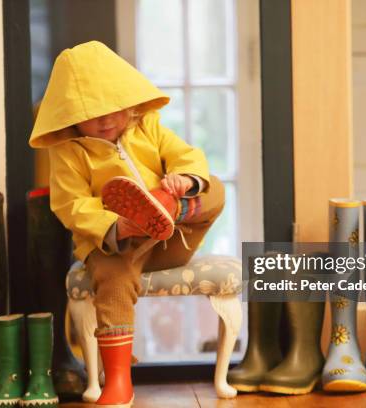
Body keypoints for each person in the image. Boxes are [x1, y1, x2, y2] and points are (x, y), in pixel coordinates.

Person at [29, 41, 225, 408]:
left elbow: (186, 155)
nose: (106, 120)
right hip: (114, 246)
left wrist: (183, 180)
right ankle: (118, 380)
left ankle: (165, 207)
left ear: (128, 101)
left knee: (214, 186)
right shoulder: (70, 151)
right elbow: (70, 205)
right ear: (70, 115)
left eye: (113, 109)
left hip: (171, 240)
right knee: (114, 283)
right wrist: (117, 225)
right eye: (93, 113)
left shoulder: (146, 126)